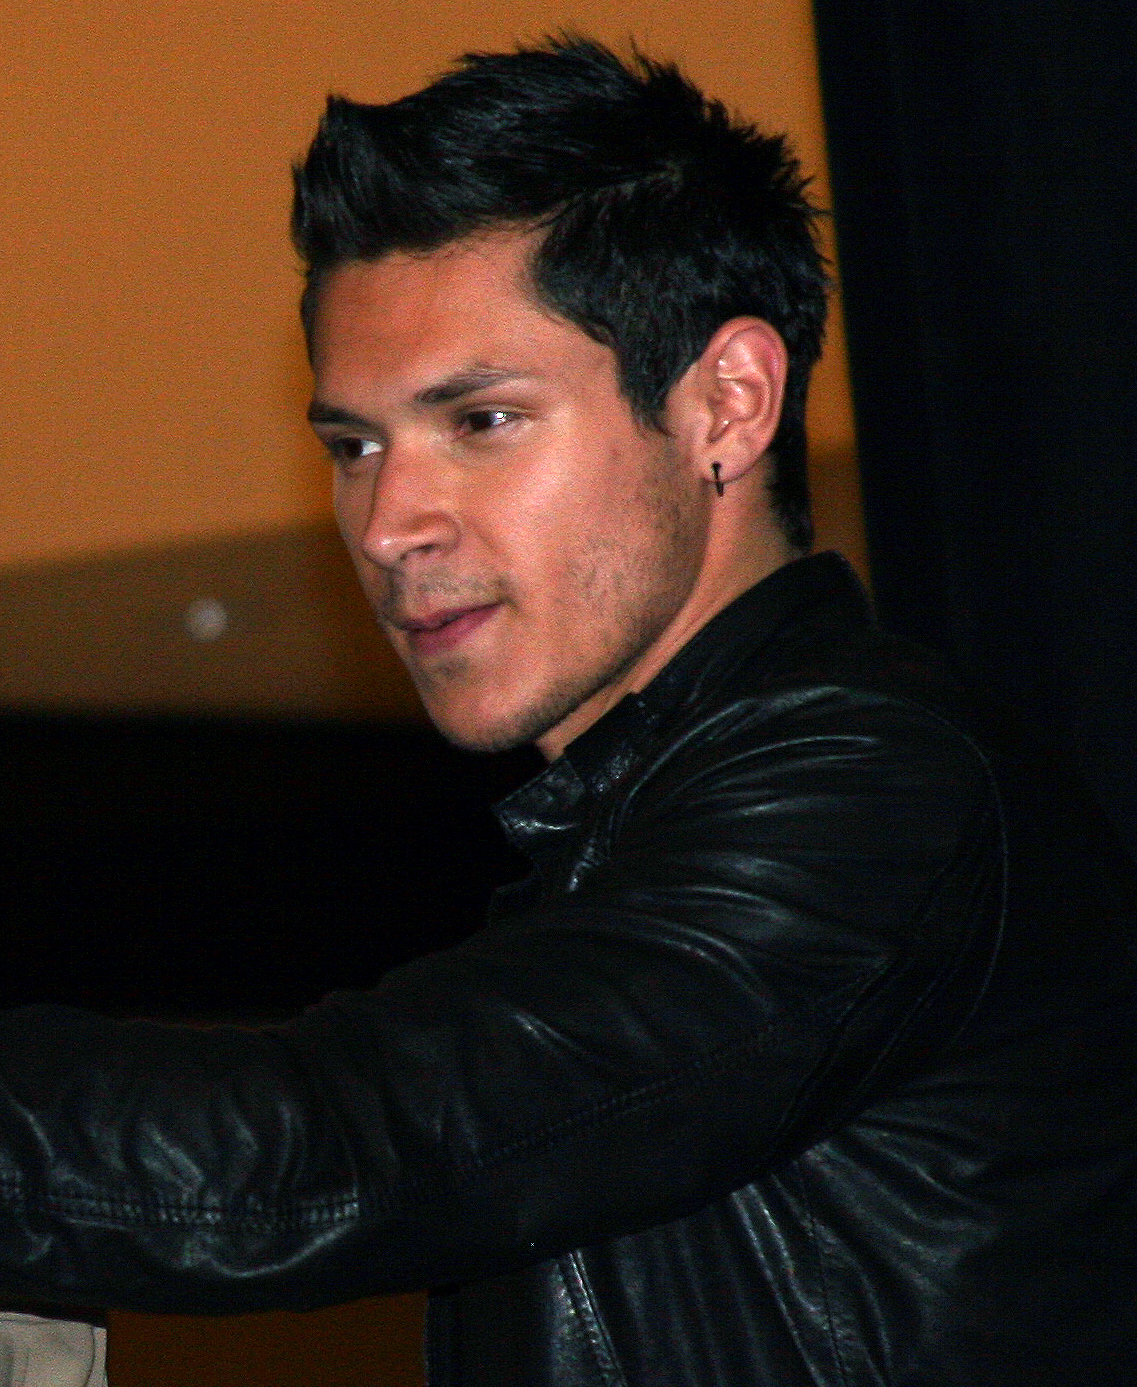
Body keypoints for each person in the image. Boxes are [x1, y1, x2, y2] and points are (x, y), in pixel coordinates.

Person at [1, 35, 1136, 1386]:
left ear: (727, 404)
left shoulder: (874, 789)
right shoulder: (624, 833)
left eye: (480, 421)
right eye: (354, 446)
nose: (389, 523)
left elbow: (340, 1154)